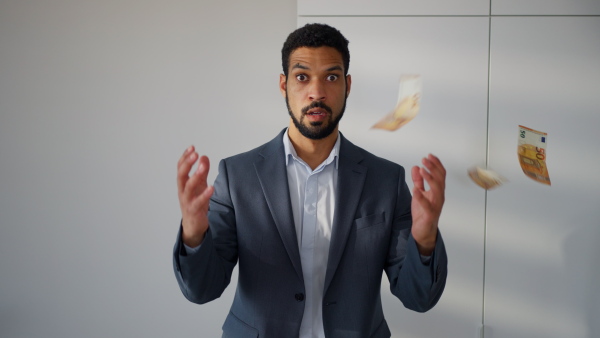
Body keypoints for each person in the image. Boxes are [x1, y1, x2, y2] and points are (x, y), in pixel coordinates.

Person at [173, 23, 448, 338]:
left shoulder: (385, 179)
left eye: (331, 77)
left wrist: (425, 239)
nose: (316, 93)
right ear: (283, 85)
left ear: (347, 85)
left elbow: (418, 298)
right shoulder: (238, 176)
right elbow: (202, 289)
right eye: (302, 77)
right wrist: (194, 234)